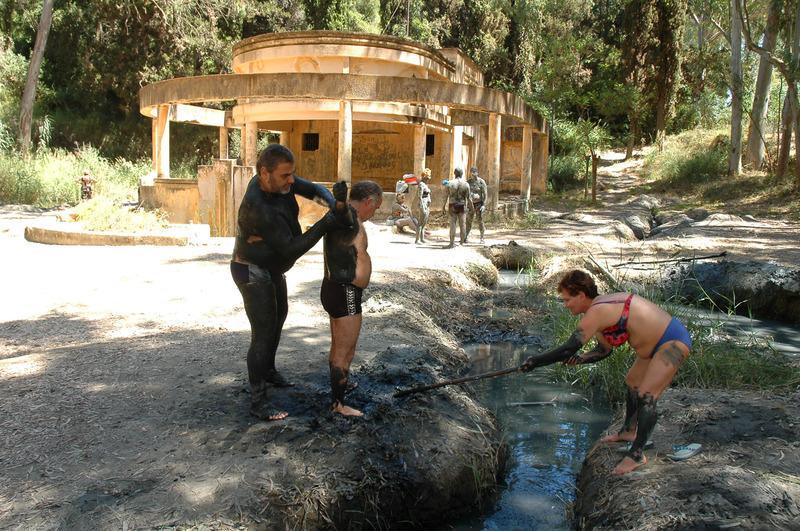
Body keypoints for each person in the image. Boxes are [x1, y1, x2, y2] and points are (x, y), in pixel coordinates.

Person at [520, 269, 693, 476]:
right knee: (632, 382)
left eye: (567, 300)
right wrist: (581, 359)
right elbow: (603, 351)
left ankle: (636, 455)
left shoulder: (598, 311)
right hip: (654, 349)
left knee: (647, 395)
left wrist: (535, 362)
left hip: (672, 343)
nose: (566, 305)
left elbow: (568, 348)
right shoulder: (598, 311)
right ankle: (628, 432)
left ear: (581, 295)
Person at [230, 144, 350, 421]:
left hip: (271, 268)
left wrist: (335, 204)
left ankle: (268, 371)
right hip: (250, 270)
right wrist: (327, 222)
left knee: (279, 316)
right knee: (263, 331)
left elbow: (312, 190)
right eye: (285, 175)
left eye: (292, 174)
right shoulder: (258, 206)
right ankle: (258, 401)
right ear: (264, 173)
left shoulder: (281, 184)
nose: (291, 180)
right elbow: (290, 250)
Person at [322, 180, 383, 416]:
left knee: (338, 346)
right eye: (375, 207)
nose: (374, 212)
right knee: (344, 351)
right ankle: (338, 405)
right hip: (344, 291)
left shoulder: (343, 215)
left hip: (335, 289)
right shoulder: (347, 217)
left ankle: (340, 386)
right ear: (368, 201)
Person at [441, 168, 472, 248]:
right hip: (462, 205)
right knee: (462, 224)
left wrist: (443, 206)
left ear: (454, 173)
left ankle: (451, 243)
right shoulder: (466, 184)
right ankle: (461, 243)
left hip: (452, 205)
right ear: (462, 174)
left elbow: (445, 196)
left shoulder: (450, 183)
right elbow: (469, 198)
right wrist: (471, 207)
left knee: (453, 224)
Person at [465, 166, 487, 243]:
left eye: (474, 172)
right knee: (468, 220)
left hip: (479, 204)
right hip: (470, 204)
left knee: (480, 220)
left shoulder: (481, 182)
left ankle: (482, 237)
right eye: (472, 172)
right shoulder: (468, 182)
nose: (473, 174)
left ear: (477, 173)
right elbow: (465, 194)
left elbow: (485, 194)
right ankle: (466, 236)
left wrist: (484, 205)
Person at [413, 168, 432, 244]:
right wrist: (422, 206)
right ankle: (417, 240)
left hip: (426, 205)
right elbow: (419, 196)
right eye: (427, 177)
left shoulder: (425, 185)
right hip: (423, 205)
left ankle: (422, 239)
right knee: (420, 223)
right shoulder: (421, 184)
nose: (428, 179)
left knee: (424, 223)